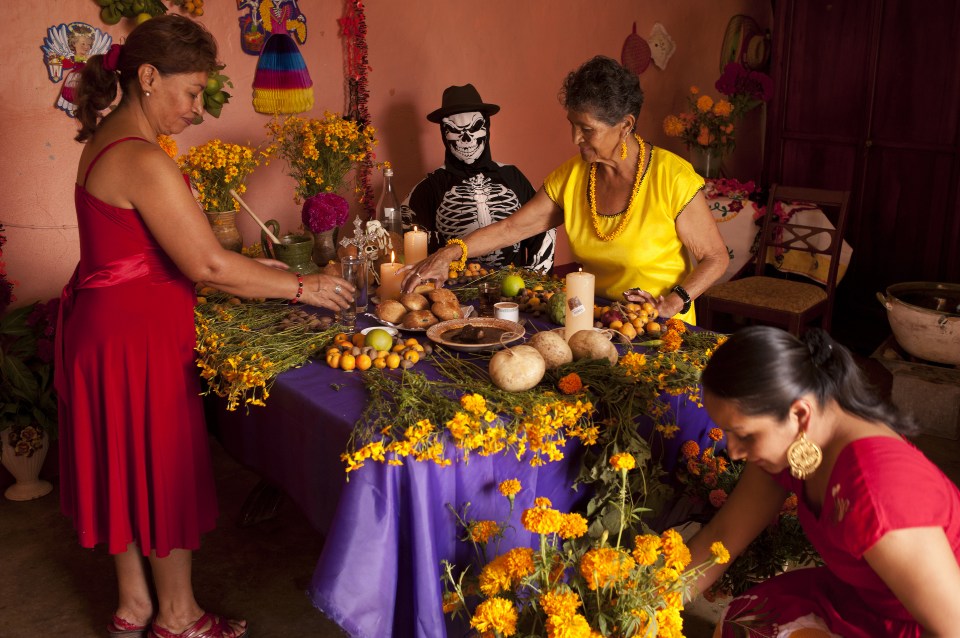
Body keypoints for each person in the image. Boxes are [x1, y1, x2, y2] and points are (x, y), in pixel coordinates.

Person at [57, 16, 354, 638]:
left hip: (106, 332)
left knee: (126, 469)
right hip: (134, 342)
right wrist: (305, 285)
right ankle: (179, 617)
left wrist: (257, 267)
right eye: (192, 93)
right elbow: (207, 264)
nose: (198, 111)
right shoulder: (141, 158)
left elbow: (152, 252)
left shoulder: (109, 140)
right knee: (159, 469)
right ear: (147, 77)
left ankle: (134, 605)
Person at [401, 56, 728, 324]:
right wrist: (447, 254)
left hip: (658, 328)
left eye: (587, 129)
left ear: (625, 126)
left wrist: (672, 303)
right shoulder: (572, 177)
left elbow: (715, 257)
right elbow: (512, 228)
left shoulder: (672, 177)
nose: (575, 139)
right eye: (572, 125)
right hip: (597, 321)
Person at [687, 326, 960, 637]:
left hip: (926, 622)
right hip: (862, 597)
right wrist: (646, 602)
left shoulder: (878, 494)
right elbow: (720, 538)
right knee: (746, 620)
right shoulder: (793, 445)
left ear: (800, 415)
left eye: (745, 434)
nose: (734, 451)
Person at [401, 83, 555, 272]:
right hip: (456, 290)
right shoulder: (431, 186)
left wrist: (535, 278)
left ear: (487, 127)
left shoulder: (512, 176)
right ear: (443, 133)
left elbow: (543, 223)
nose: (466, 139)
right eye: (455, 130)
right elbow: (404, 232)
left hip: (511, 290)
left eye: (474, 127)